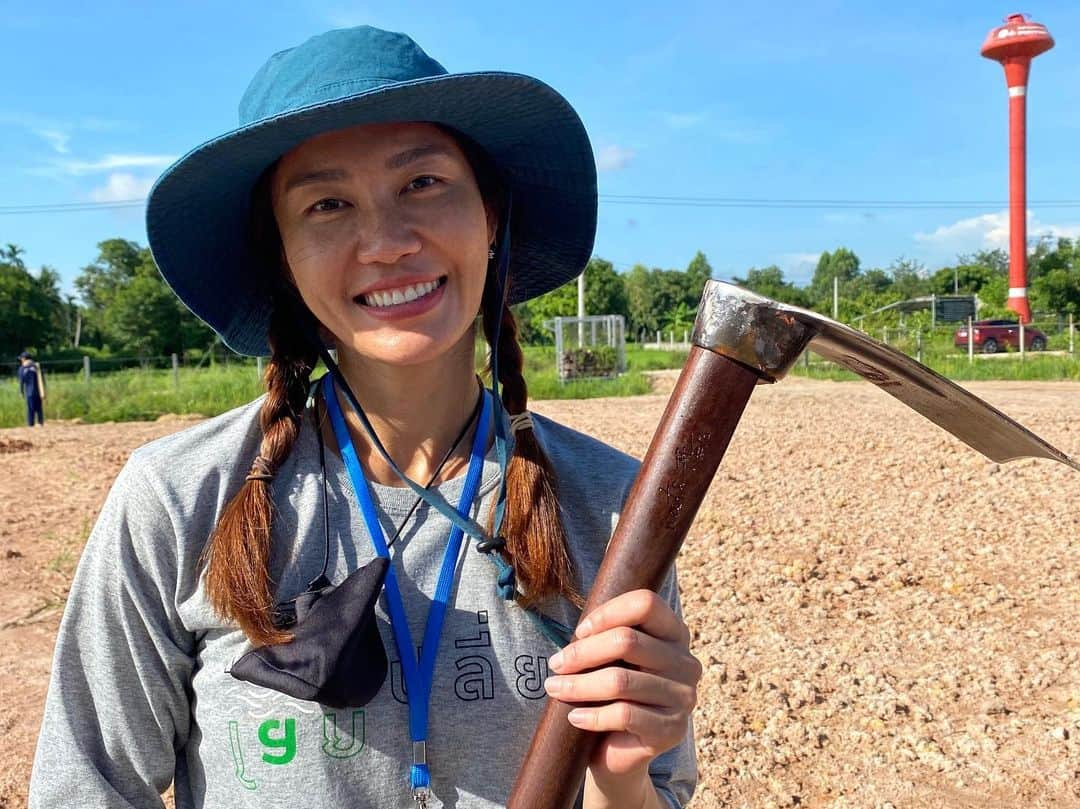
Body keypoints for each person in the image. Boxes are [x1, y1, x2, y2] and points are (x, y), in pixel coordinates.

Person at [29, 26, 700, 809]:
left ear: (491, 216)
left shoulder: (614, 506)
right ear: (281, 255)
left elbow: (660, 793)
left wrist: (620, 778)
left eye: (423, 183)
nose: (385, 242)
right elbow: (88, 789)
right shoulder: (178, 500)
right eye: (327, 203)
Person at [17, 351, 45, 426]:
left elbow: (21, 382)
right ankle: (40, 423)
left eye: (21, 359)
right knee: (39, 408)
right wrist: (44, 391)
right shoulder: (37, 367)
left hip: (29, 392)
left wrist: (21, 391)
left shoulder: (22, 368)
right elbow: (41, 380)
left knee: (30, 409)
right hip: (39, 391)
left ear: (24, 359)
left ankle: (31, 424)